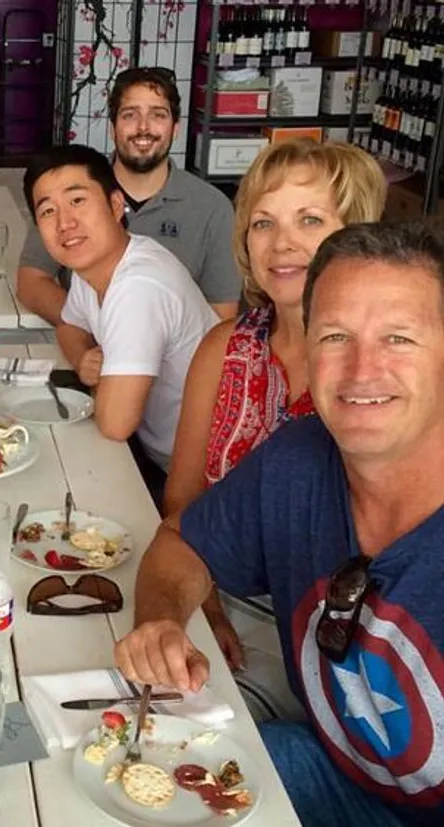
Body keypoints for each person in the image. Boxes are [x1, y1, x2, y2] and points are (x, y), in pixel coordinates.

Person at [114, 221, 444, 827]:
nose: (362, 369)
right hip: (330, 768)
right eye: (336, 336)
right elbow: (180, 543)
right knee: (117, 780)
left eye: (399, 338)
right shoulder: (300, 457)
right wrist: (162, 620)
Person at [163, 139, 387, 721]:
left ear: (356, 232)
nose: (282, 242)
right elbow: (182, 497)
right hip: (215, 586)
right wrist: (202, 603)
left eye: (309, 220)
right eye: (263, 222)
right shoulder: (225, 348)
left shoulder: (386, 371)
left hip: (348, 629)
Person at [25, 143, 218, 500]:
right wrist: (85, 359)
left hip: (199, 480)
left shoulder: (138, 285)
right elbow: (69, 326)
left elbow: (115, 423)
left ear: (115, 206)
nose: (65, 223)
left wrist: (106, 379)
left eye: (77, 201)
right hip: (152, 453)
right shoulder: (95, 267)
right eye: (48, 211)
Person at [17, 67, 241, 326]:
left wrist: (140, 344)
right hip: (89, 354)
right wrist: (92, 329)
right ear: (113, 128)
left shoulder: (212, 208)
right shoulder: (73, 190)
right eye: (130, 115)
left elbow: (222, 318)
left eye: (158, 115)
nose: (143, 128)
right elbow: (31, 281)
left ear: (175, 128)